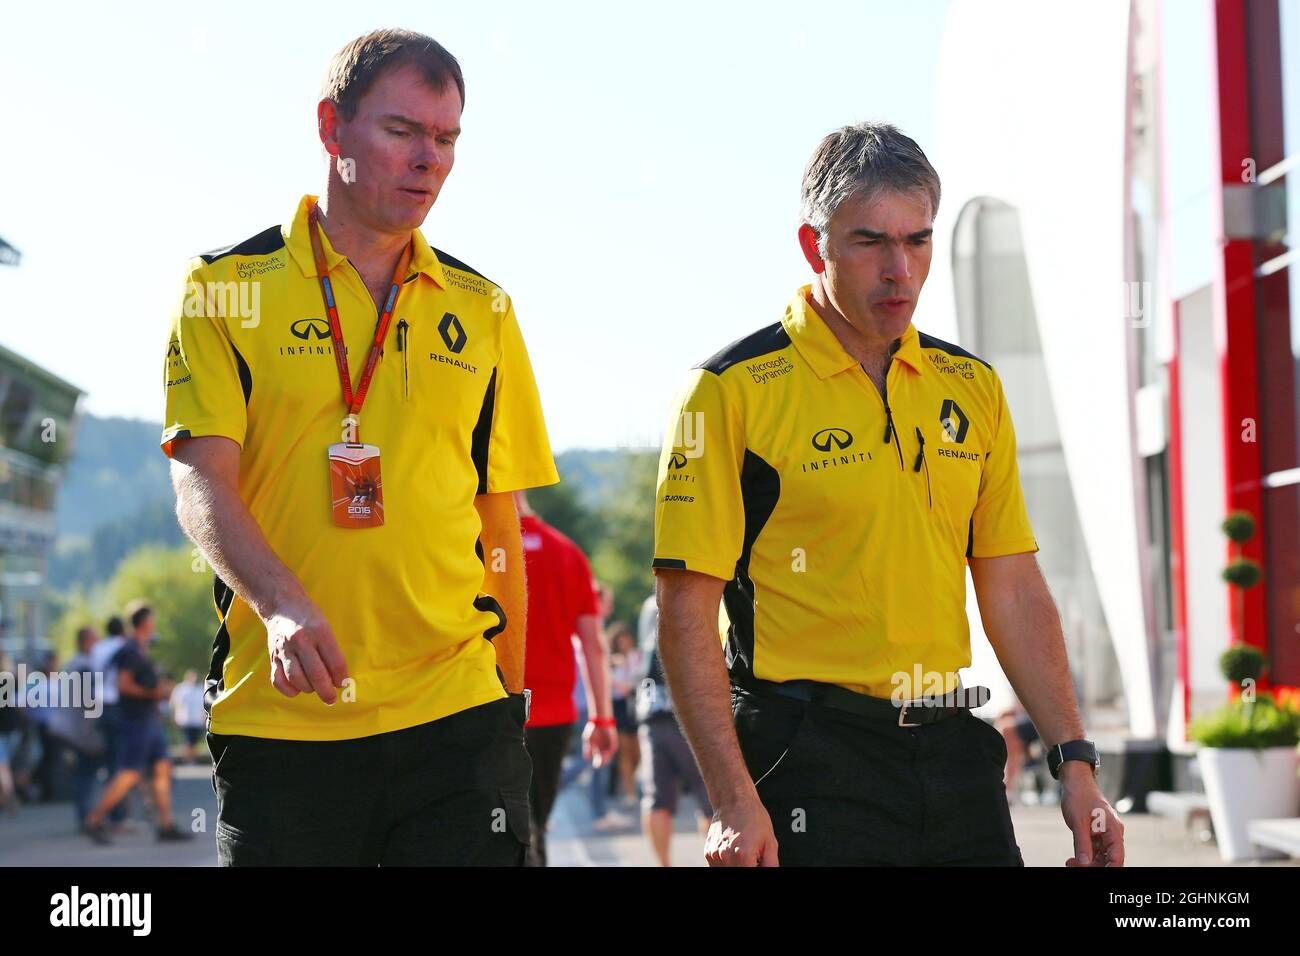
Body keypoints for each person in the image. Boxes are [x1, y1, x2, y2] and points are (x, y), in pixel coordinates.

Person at [651, 122, 1124, 867]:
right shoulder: (728, 392)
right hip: (805, 759)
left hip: (952, 749)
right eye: (871, 241)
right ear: (816, 248)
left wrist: (1076, 762)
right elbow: (685, 612)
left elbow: (1011, 585)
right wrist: (733, 798)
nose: (899, 270)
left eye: (919, 241)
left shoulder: (973, 386)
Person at [162, 29, 558, 866]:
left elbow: (500, 528)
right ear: (330, 127)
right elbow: (202, 484)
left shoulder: (485, 310)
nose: (430, 161)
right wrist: (279, 604)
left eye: (446, 139)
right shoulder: (223, 289)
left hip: (458, 722)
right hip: (285, 721)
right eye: (402, 131)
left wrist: (509, 704)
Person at [515, 492, 617, 865]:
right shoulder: (567, 552)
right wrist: (602, 717)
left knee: (501, 832)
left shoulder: (478, 547)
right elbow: (594, 645)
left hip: (490, 711)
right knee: (535, 826)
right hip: (552, 717)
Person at [83, 609, 189, 843]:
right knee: (130, 772)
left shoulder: (140, 648)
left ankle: (165, 825)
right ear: (145, 623)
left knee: (162, 768)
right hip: (135, 721)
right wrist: (154, 692)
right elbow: (123, 685)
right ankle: (95, 819)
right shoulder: (130, 650)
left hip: (148, 719)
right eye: (153, 619)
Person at [635, 595, 712, 867]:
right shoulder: (696, 597)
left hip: (651, 709)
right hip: (689, 708)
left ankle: (663, 864)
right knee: (712, 796)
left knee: (657, 799)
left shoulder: (647, 606)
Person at [606, 621, 642, 808]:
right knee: (625, 753)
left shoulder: (637, 657)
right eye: (620, 640)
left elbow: (642, 678)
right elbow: (608, 681)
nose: (624, 643)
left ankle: (626, 780)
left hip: (635, 705)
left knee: (637, 753)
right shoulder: (611, 660)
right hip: (618, 706)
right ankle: (630, 792)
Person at [169, 671, 206, 764]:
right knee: (187, 740)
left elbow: (204, 705)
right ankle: (189, 759)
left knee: (194, 741)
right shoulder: (180, 689)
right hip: (184, 720)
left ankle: (191, 758)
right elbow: (173, 703)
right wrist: (173, 716)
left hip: (196, 720)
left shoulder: (200, 689)